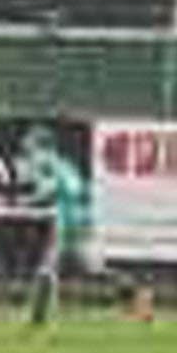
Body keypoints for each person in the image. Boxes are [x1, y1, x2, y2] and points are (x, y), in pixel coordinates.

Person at [19, 123, 152, 325]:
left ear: (40, 144)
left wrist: (28, 200)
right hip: (81, 215)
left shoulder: (44, 160)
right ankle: (136, 294)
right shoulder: (62, 162)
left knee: (49, 266)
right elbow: (74, 187)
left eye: (30, 142)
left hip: (69, 218)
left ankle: (37, 318)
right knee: (89, 268)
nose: (27, 146)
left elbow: (52, 188)